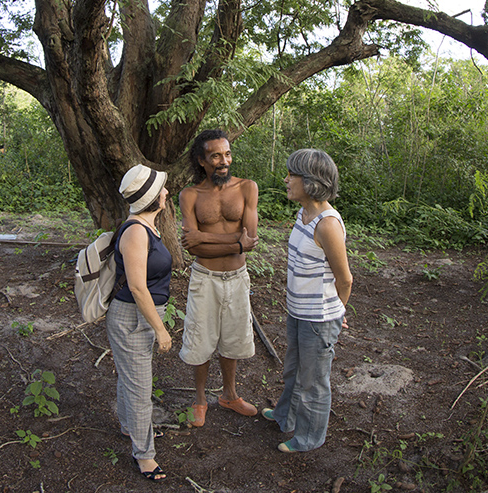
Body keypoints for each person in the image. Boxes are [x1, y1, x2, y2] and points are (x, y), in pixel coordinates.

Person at [263, 148, 353, 453]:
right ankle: (285, 416)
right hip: (298, 311)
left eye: (292, 175)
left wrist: (337, 313)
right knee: (293, 368)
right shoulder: (303, 214)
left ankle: (308, 438)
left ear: (312, 181)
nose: (286, 179)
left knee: (313, 381)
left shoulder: (327, 224)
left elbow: (345, 279)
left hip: (319, 318)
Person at [178, 129, 260, 427]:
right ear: (202, 160)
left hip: (238, 277)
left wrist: (205, 235)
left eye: (226, 154)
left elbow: (249, 240)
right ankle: (200, 400)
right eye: (215, 155)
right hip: (205, 278)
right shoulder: (190, 195)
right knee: (201, 339)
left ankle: (229, 394)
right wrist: (232, 243)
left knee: (234, 338)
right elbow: (193, 248)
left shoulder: (247, 188)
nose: (223, 161)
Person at [107, 164, 175, 481]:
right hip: (133, 318)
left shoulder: (148, 226)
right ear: (152, 198)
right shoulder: (136, 232)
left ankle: (130, 427)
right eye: (162, 189)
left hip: (145, 315)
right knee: (139, 388)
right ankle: (145, 456)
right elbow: (137, 286)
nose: (166, 192)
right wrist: (160, 330)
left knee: (132, 379)